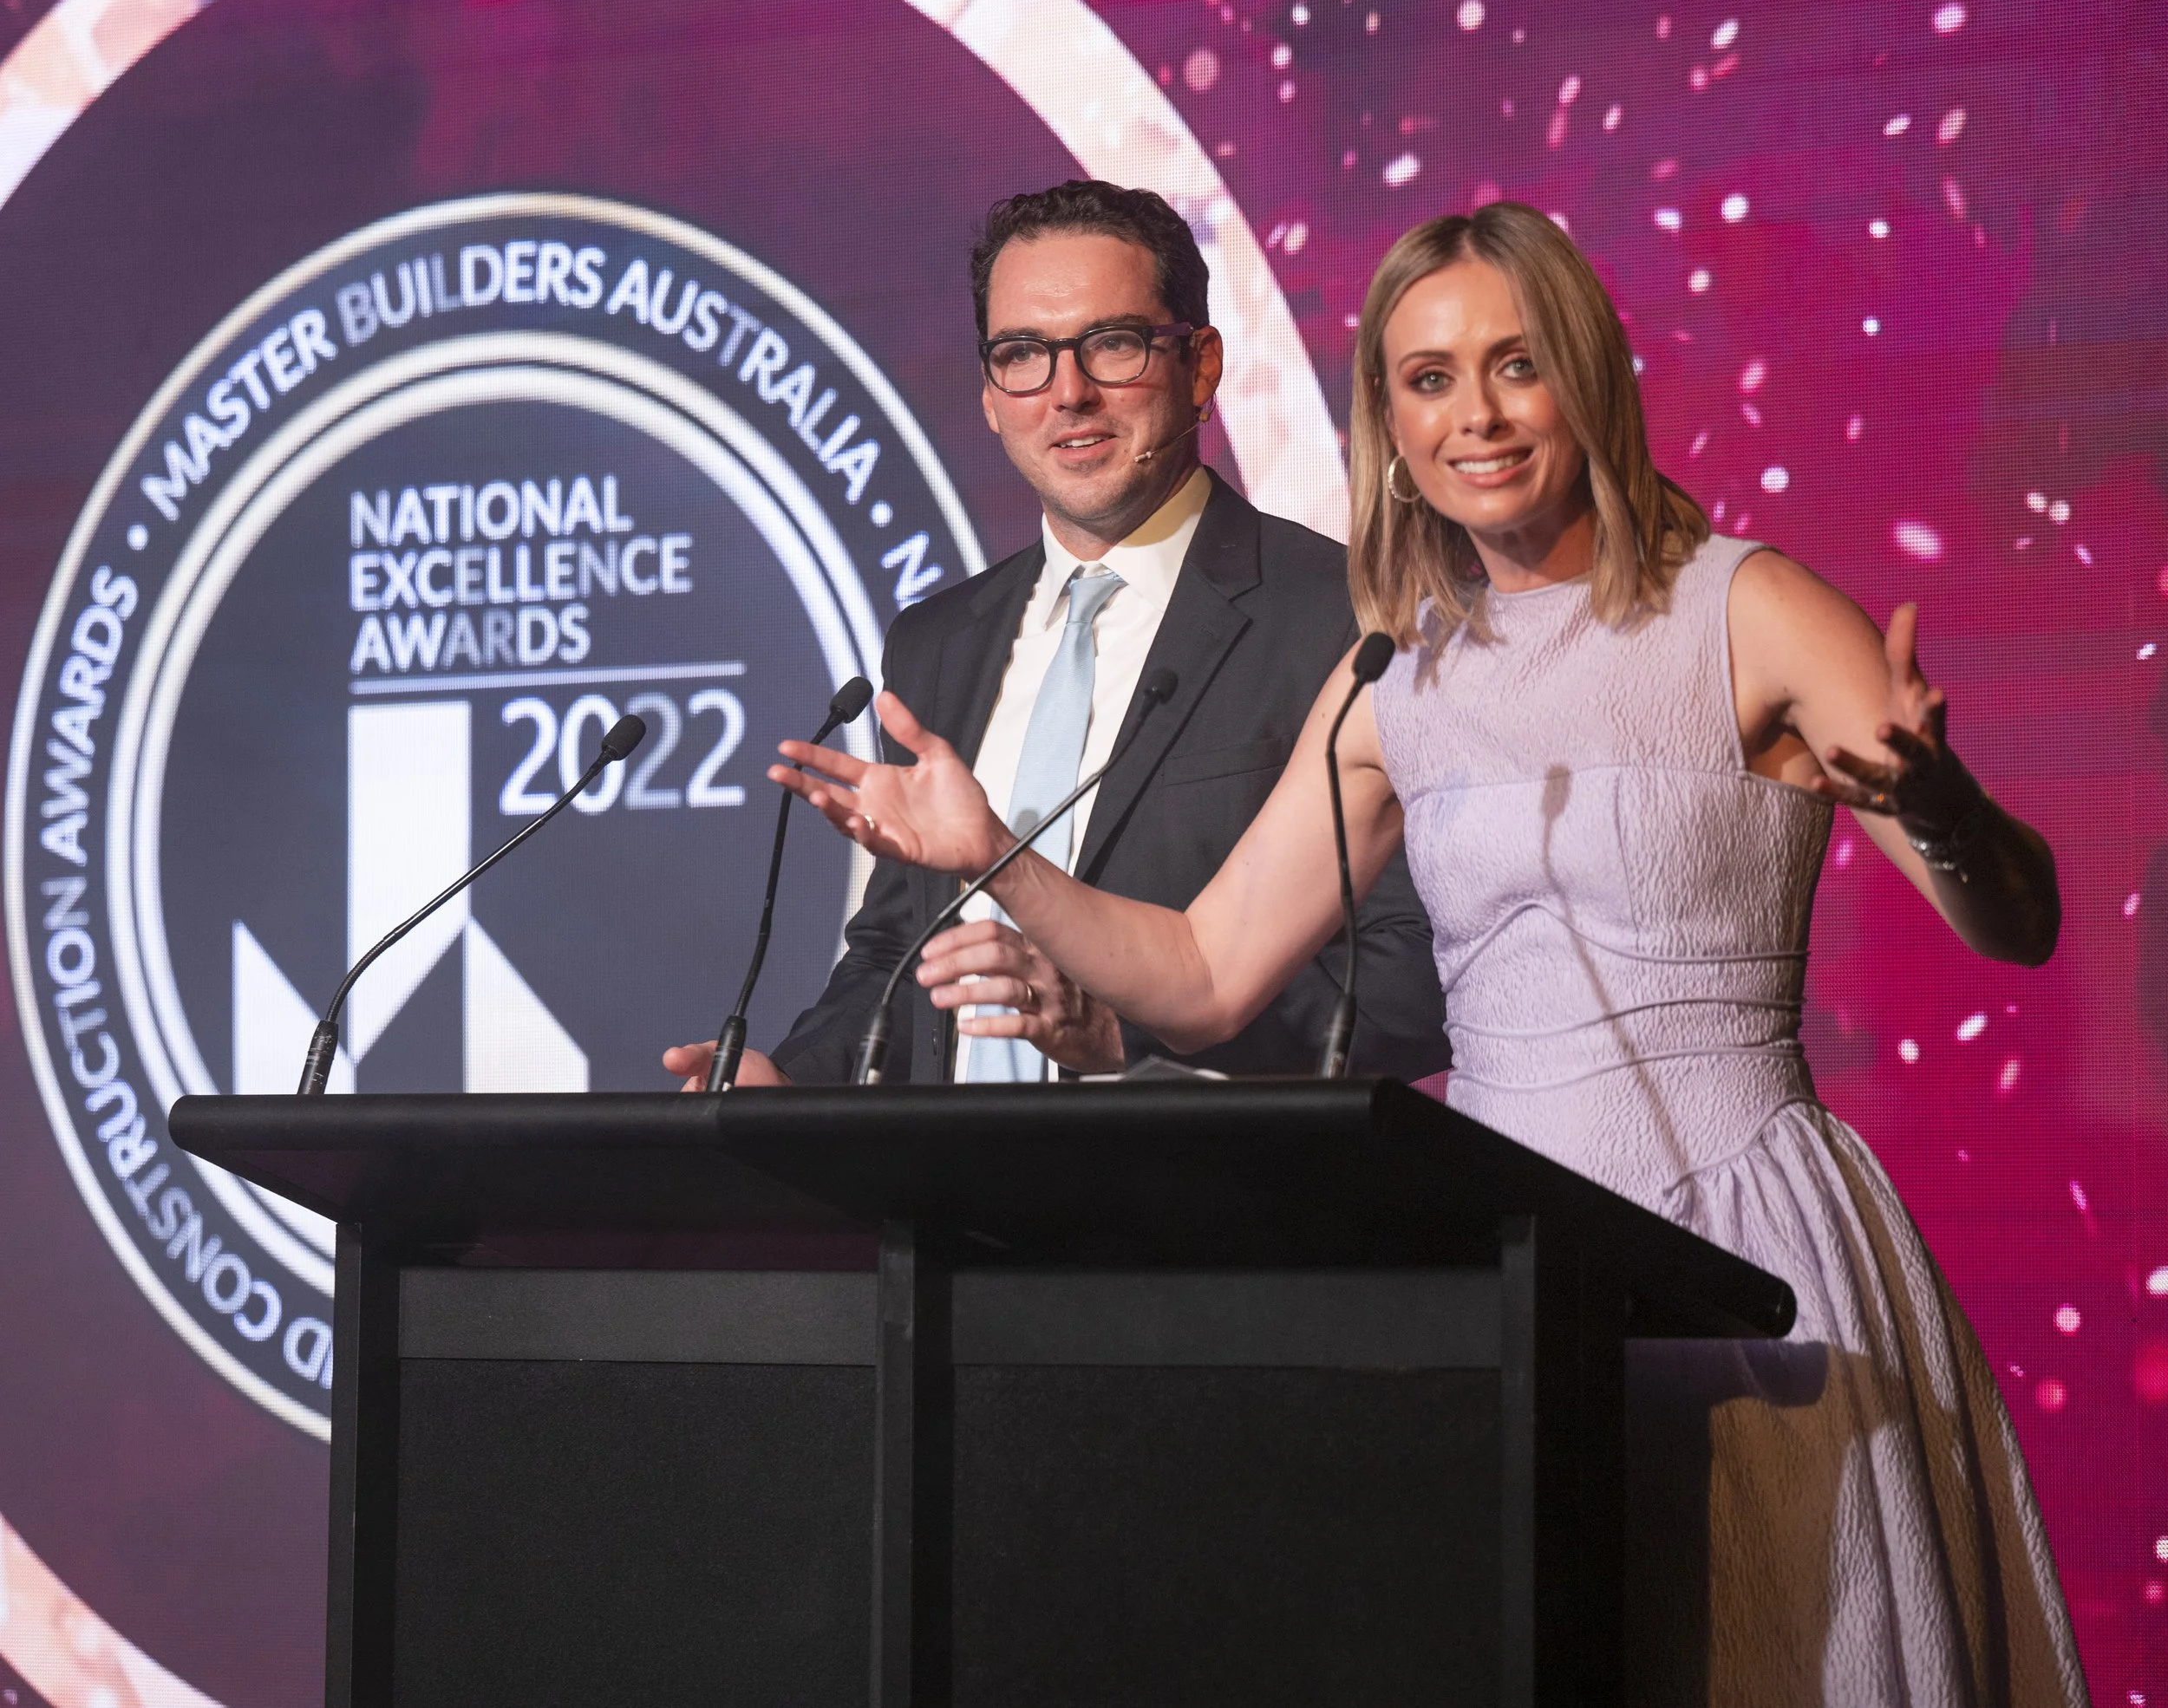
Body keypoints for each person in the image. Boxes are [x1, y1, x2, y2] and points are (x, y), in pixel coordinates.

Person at [769, 201, 2088, 1702]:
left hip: (1747, 1255)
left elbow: (2021, 924)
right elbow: (1201, 971)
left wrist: (1945, 805)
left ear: (1587, 378)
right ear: (1387, 425)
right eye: (1429, 378)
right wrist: (992, 849)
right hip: (1502, 1265)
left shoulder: (1755, 609)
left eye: (1516, 366)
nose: (1478, 415)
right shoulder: (1401, 669)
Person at [664, 179, 1442, 1088]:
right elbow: (896, 956)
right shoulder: (937, 643)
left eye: (1111, 346)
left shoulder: (1350, 616)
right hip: (954, 1212)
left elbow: (1413, 975)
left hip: (1216, 1205)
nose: (1067, 393)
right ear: (991, 396)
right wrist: (793, 1083)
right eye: (1022, 354)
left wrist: (1130, 1035)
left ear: (1200, 367)